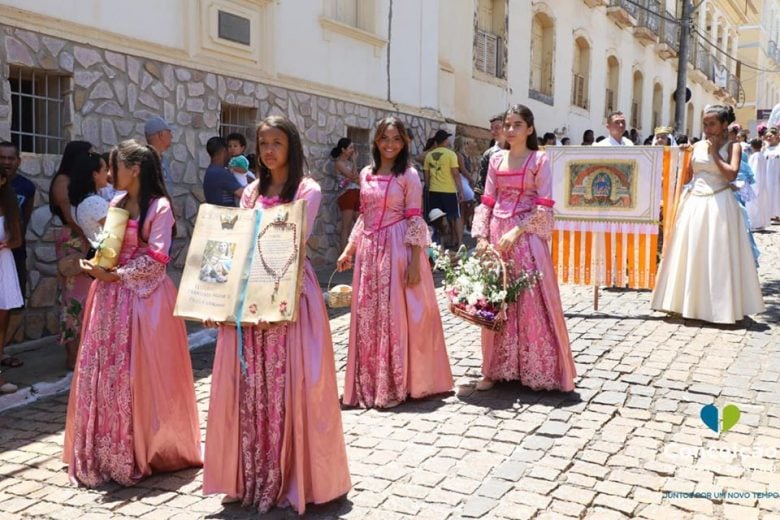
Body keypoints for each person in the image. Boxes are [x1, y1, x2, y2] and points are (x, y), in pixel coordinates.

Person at [203, 116, 350, 514]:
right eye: (262, 143)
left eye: (276, 143)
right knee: (249, 387)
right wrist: (217, 298)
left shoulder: (308, 190)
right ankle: (248, 475)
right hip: (250, 299)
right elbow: (236, 245)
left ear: (292, 146)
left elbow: (291, 243)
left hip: (289, 297)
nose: (268, 151)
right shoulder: (250, 191)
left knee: (290, 386)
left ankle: (293, 478)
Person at [62, 139, 202, 487]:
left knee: (141, 374)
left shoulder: (160, 207)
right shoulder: (116, 201)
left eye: (116, 166)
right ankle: (107, 447)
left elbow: (157, 259)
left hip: (145, 299)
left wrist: (117, 275)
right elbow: (109, 249)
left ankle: (149, 446)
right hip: (109, 298)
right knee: (107, 372)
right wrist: (95, 264)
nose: (110, 173)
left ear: (134, 169)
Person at [337, 116, 452, 408]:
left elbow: (415, 218)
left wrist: (416, 262)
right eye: (385, 138)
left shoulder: (409, 176)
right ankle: (371, 381)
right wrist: (349, 249)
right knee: (369, 316)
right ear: (376, 141)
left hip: (399, 249)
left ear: (405, 143)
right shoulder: (365, 174)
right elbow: (365, 216)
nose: (390, 145)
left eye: (397, 139)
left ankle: (400, 380)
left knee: (398, 316)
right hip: (369, 252)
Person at [471, 104, 576, 392]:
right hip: (497, 233)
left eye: (517, 125)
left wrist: (518, 230)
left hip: (526, 235)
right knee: (496, 299)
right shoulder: (495, 160)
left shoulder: (539, 160)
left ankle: (536, 368)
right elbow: (488, 201)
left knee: (530, 302)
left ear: (529, 129)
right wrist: (481, 237)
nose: (510, 130)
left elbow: (544, 204)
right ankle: (494, 368)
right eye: (507, 124)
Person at [651, 105, 764, 323]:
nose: (707, 128)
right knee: (692, 252)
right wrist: (681, 157)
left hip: (720, 203)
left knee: (718, 254)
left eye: (712, 123)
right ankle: (688, 303)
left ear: (724, 125)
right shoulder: (696, 146)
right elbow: (687, 177)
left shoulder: (734, 147)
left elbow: (731, 174)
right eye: (704, 124)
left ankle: (719, 306)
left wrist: (713, 152)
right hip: (695, 202)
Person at [49, 140, 93, 370]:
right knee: (71, 299)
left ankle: (81, 354)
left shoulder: (77, 181)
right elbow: (69, 216)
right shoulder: (62, 181)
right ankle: (71, 355)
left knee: (84, 299)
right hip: (73, 241)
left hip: (82, 239)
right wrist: (90, 239)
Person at [0, 141, 34, 370]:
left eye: (11, 158)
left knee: (10, 304)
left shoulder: (26, 187)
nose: (6, 162)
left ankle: (2, 352)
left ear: (18, 161)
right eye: (2, 157)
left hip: (13, 255)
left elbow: (25, 219)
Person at [0, 169, 22, 394]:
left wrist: (6, 244)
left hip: (2, 264)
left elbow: (17, 239)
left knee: (2, 317)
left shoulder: (9, 204)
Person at [424, 129, 464, 248]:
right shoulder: (451, 154)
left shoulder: (429, 156)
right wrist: (460, 191)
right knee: (455, 216)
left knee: (437, 218)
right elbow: (456, 174)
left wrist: (429, 188)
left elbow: (427, 177)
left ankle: (438, 244)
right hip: (449, 191)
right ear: (445, 141)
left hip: (434, 191)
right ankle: (460, 242)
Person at [68, 152, 110, 245]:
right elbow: (118, 229)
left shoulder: (77, 203)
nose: (108, 174)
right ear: (95, 174)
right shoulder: (94, 202)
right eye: (105, 170)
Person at [332, 138, 360, 250]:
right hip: (346, 194)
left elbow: (357, 178)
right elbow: (352, 176)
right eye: (350, 148)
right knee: (346, 226)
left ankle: (354, 255)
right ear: (343, 150)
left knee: (359, 225)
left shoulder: (349, 163)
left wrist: (353, 162)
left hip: (356, 192)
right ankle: (343, 259)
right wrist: (354, 161)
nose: (352, 150)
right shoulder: (339, 163)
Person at [203, 136, 244, 207]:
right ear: (224, 151)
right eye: (229, 148)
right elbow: (245, 195)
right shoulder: (222, 173)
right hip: (226, 216)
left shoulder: (210, 171)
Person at [144, 116, 173, 187]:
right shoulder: (145, 162)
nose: (172, 136)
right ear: (161, 135)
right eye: (169, 132)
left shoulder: (164, 160)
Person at [747, 138, 769, 230]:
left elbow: (755, 171)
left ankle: (755, 224)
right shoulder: (761, 155)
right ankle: (760, 222)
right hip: (762, 183)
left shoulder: (755, 156)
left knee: (754, 204)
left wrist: (752, 183)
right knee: (760, 204)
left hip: (755, 183)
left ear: (752, 146)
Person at [455, 136, 477, 232]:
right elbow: (463, 170)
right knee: (472, 200)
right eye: (466, 143)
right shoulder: (459, 154)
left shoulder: (464, 155)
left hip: (465, 180)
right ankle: (463, 224)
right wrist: (471, 179)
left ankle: (463, 226)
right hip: (462, 179)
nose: (467, 145)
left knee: (464, 205)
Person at [764, 127, 780, 221]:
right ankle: (771, 215)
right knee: (769, 194)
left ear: (776, 135)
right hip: (767, 176)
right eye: (767, 136)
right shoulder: (765, 148)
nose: (769, 138)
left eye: (771, 136)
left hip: (778, 175)